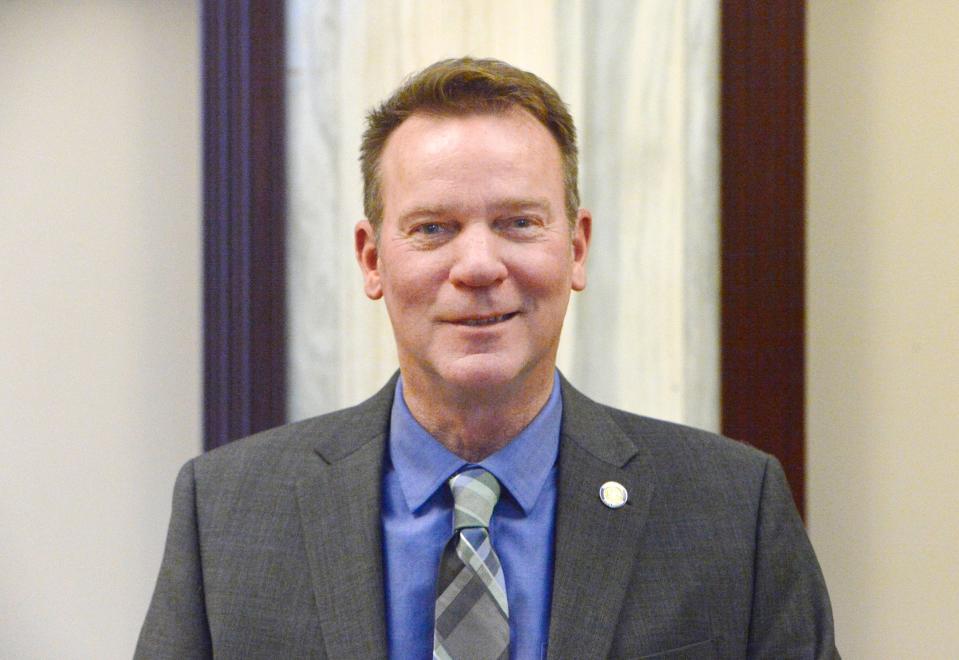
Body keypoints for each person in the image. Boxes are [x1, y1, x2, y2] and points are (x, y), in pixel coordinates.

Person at [137, 57, 838, 659]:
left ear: (576, 247)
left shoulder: (731, 510)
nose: (477, 265)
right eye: (433, 228)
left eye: (517, 223)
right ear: (371, 257)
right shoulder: (226, 513)